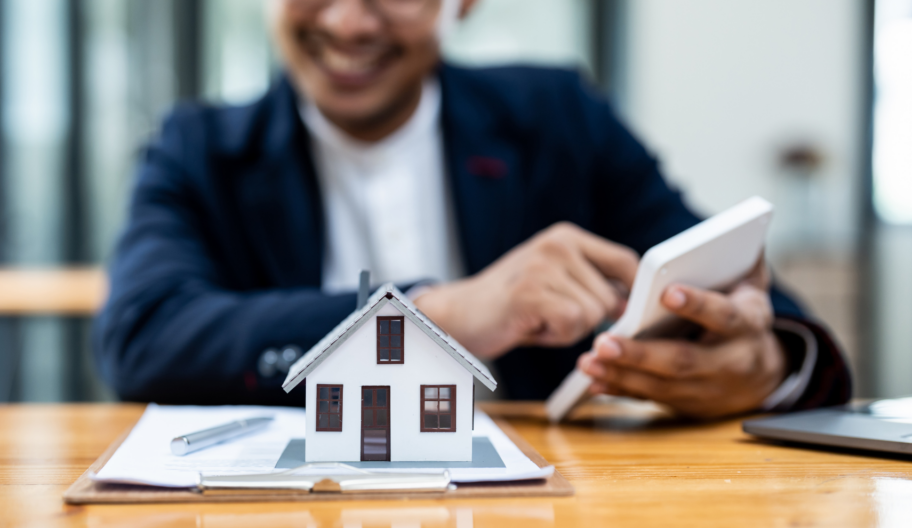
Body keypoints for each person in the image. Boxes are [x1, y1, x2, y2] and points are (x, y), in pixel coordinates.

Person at [94, 0, 850, 417]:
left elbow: (746, 298)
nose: (350, 22)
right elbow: (142, 338)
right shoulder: (197, 147)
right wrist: (439, 314)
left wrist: (764, 364)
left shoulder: (560, 118)